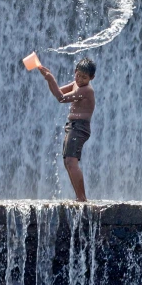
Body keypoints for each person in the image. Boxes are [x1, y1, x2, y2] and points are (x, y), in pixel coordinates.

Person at [37, 58, 96, 202]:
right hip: (72, 126)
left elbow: (61, 98)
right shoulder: (76, 83)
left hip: (80, 127)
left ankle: (82, 198)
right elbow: (58, 91)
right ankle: (79, 196)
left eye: (84, 77)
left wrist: (51, 78)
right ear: (75, 72)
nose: (80, 79)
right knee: (68, 161)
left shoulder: (86, 90)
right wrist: (48, 78)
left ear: (91, 78)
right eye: (78, 75)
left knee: (71, 161)